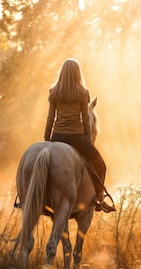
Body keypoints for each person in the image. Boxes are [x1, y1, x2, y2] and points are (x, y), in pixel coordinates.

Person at [44, 58, 115, 213]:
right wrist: (87, 140)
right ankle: (99, 199)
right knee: (100, 165)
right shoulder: (83, 93)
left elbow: (51, 118)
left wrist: (47, 140)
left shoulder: (54, 92)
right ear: (77, 73)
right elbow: (86, 118)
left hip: (57, 137)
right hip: (77, 138)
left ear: (62, 73)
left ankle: (30, 197)